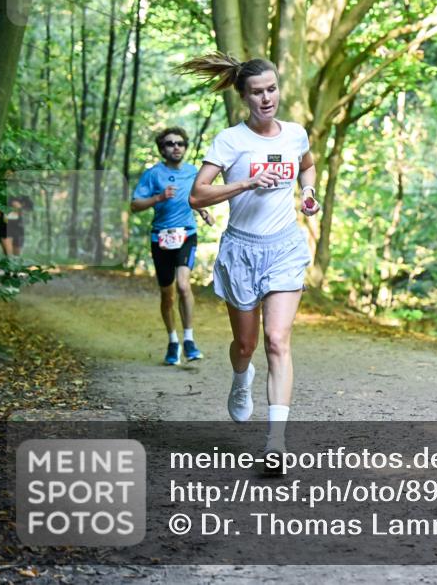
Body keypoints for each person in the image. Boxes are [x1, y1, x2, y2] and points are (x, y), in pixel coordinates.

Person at [181, 52, 321, 460]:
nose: (267, 98)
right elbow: (198, 194)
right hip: (241, 250)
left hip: (283, 247)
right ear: (244, 96)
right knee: (246, 346)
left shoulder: (295, 134)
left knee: (277, 341)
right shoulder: (230, 141)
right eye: (257, 92)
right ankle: (241, 378)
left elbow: (307, 166)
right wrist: (246, 183)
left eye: (272, 89)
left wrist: (308, 194)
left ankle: (275, 443)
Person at [131, 127, 213, 365]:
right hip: (161, 238)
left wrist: (203, 212)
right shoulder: (153, 174)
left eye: (180, 143)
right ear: (162, 149)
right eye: (170, 144)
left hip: (187, 234)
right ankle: (173, 341)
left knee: (184, 286)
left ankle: (189, 340)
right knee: (167, 295)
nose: (176, 147)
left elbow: (195, 198)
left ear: (185, 147)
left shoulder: (193, 172)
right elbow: (135, 205)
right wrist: (158, 198)